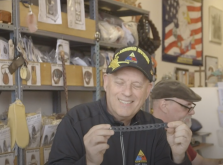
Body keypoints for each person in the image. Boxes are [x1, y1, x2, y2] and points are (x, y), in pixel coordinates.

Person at [47, 46, 192, 165]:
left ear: (148, 90)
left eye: (136, 85)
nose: (127, 92)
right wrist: (88, 162)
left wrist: (179, 158)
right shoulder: (76, 121)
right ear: (106, 82)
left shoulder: (156, 130)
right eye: (120, 82)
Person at [150, 79, 223, 165]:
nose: (192, 112)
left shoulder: (178, 134)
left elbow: (200, 162)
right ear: (164, 106)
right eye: (186, 106)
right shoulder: (148, 140)